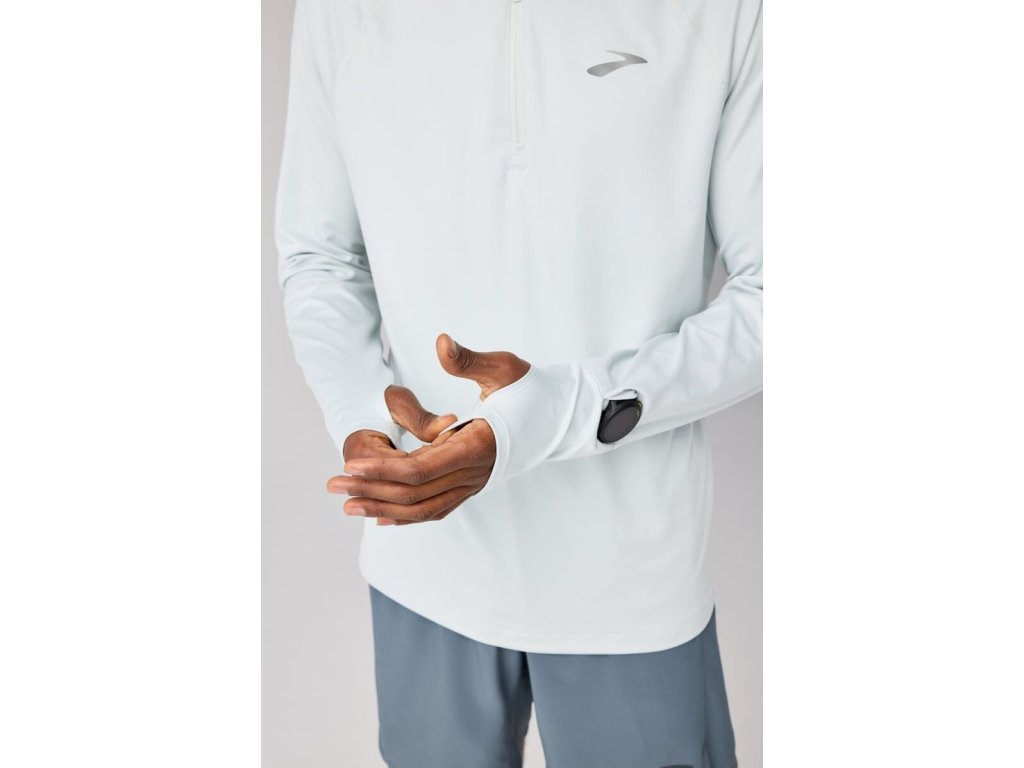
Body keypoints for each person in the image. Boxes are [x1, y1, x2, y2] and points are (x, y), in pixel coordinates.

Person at [276, 0, 761, 764]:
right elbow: (319, 255)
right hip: (424, 562)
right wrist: (362, 417)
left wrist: (565, 410)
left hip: (628, 584)